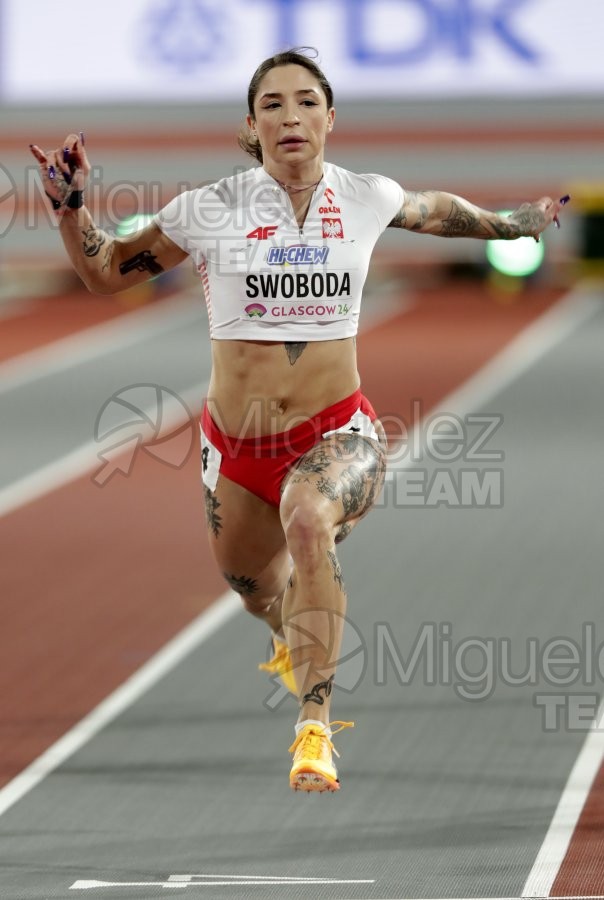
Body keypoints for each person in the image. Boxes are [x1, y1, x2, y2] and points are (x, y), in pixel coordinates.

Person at [30, 48, 567, 794]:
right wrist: (70, 204)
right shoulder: (210, 209)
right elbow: (104, 271)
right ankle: (291, 634)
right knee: (253, 588)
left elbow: (436, 211)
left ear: (330, 118)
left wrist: (511, 224)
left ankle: (314, 728)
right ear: (251, 125)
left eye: (307, 101)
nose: (292, 117)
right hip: (236, 449)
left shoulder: (365, 195)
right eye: (274, 105)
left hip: (337, 433)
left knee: (309, 520)